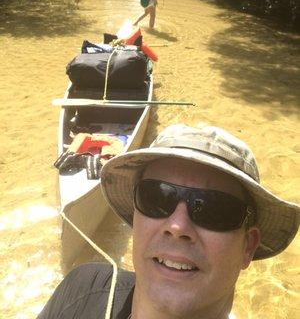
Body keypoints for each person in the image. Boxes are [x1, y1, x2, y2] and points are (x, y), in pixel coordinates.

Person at [37, 123, 299, 319]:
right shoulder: (83, 289)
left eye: (213, 209)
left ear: (248, 247)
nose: (177, 227)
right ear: (136, 218)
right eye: (156, 197)